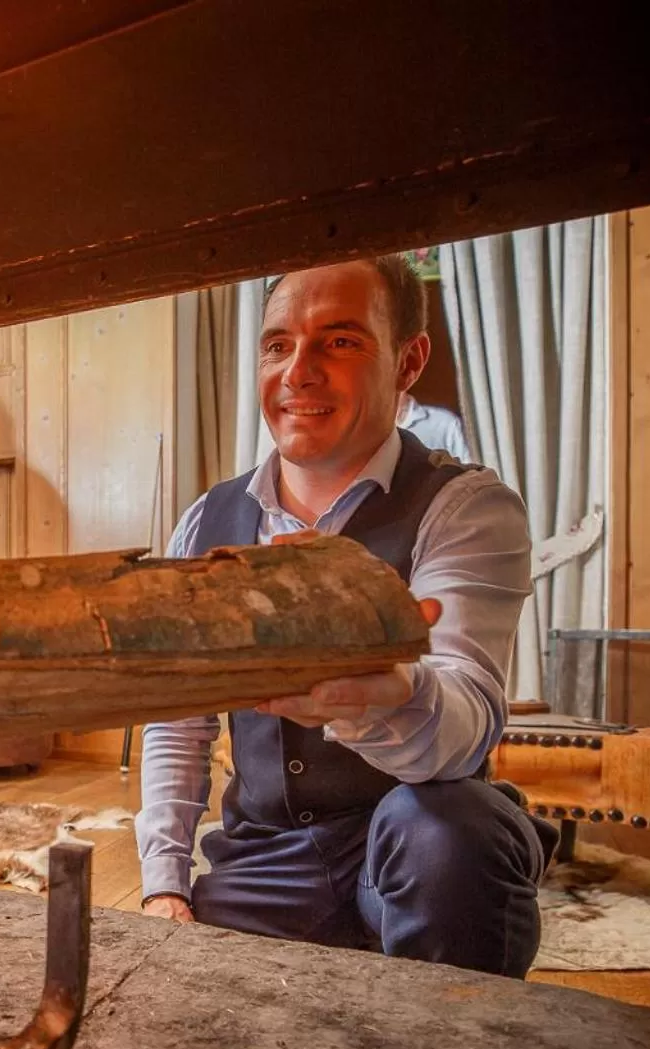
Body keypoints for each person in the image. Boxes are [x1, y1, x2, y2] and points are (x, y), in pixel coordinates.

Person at [135, 256, 549, 978]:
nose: (298, 371)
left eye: (340, 341)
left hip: (412, 845)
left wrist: (386, 689)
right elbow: (180, 722)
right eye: (277, 345)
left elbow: (465, 723)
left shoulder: (466, 507)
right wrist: (163, 882)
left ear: (408, 360)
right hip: (264, 858)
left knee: (451, 833)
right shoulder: (207, 520)